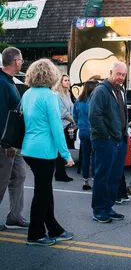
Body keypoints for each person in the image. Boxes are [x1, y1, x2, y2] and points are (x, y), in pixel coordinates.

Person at [21, 58, 74, 246]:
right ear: (52, 75)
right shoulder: (50, 96)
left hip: (28, 148)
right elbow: (56, 128)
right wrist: (66, 155)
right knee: (42, 193)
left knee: (45, 190)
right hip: (44, 150)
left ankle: (53, 228)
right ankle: (35, 234)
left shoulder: (27, 94)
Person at [89, 61, 129, 223]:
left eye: (124, 75)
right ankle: (99, 210)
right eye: (118, 74)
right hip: (105, 141)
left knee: (114, 176)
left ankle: (108, 207)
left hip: (119, 140)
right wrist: (106, 136)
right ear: (110, 72)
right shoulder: (101, 91)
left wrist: (124, 134)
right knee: (102, 176)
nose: (121, 77)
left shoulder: (120, 90)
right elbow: (94, 116)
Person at [0, 47, 29, 231]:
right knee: (2, 181)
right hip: (5, 143)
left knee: (19, 176)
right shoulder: (2, 83)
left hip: (14, 143)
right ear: (16, 61)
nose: (22, 62)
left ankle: (14, 216)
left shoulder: (9, 81)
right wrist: (7, 143)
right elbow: (2, 116)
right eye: (21, 60)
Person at [73, 80, 98, 190]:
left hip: (82, 131)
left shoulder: (78, 101)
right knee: (95, 156)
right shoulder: (94, 101)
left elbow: (75, 116)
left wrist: (79, 125)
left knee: (85, 156)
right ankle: (94, 179)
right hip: (94, 130)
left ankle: (85, 181)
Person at [53, 74, 76, 182]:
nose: (67, 82)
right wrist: (74, 121)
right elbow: (63, 112)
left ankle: (61, 173)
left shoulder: (67, 94)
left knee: (64, 149)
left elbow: (71, 109)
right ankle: (59, 174)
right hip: (61, 125)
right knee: (61, 150)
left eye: (68, 80)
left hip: (67, 125)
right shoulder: (57, 95)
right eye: (65, 80)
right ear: (60, 82)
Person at [116, 136, 131, 204]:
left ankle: (118, 195)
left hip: (117, 140)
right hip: (124, 140)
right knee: (119, 169)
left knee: (115, 170)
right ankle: (123, 194)